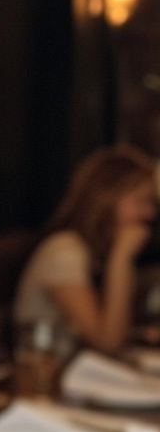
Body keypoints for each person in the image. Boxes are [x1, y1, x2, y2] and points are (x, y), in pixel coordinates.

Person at [14, 145, 158, 354]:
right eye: (140, 200)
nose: (150, 213)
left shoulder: (90, 251)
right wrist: (121, 257)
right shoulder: (63, 251)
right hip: (46, 378)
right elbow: (108, 342)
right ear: (105, 198)